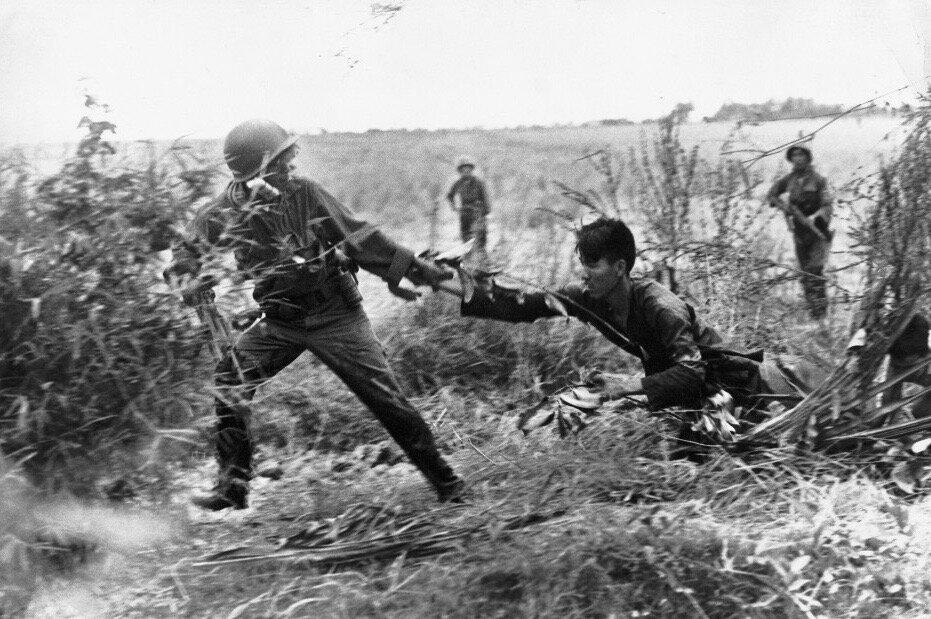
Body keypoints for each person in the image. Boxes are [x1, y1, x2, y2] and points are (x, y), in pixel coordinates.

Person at [166, 119, 464, 510]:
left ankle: (447, 484)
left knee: (386, 399)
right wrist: (191, 282)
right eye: (281, 160)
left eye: (291, 157)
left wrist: (415, 269)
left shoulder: (306, 194)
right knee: (229, 381)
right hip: (280, 322)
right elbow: (184, 252)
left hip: (336, 315)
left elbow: (359, 238)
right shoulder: (225, 210)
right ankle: (232, 487)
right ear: (256, 169)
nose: (291, 166)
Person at [460, 218, 815, 425]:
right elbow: (525, 305)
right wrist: (450, 283)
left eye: (593, 265)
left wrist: (625, 385)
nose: (584, 274)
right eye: (582, 263)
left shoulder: (662, 307)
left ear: (619, 268)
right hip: (688, 397)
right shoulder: (589, 296)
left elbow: (693, 373)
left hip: (741, 389)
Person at [767, 145, 834, 319]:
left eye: (801, 155)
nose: (797, 158)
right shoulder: (789, 180)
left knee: (815, 270)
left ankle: (822, 312)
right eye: (794, 155)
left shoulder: (819, 180)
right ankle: (814, 313)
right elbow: (772, 195)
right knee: (805, 273)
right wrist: (784, 207)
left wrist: (817, 217)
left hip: (817, 232)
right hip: (799, 233)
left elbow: (827, 204)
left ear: (808, 158)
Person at [446, 156, 489, 262]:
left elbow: (485, 199)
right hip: (465, 214)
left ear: (471, 169)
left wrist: (484, 214)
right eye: (463, 169)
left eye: (468, 169)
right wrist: (454, 207)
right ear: (460, 171)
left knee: (480, 240)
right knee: (466, 240)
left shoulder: (478, 182)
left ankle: (483, 262)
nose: (466, 171)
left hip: (477, 213)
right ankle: (468, 263)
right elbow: (450, 195)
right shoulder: (458, 183)